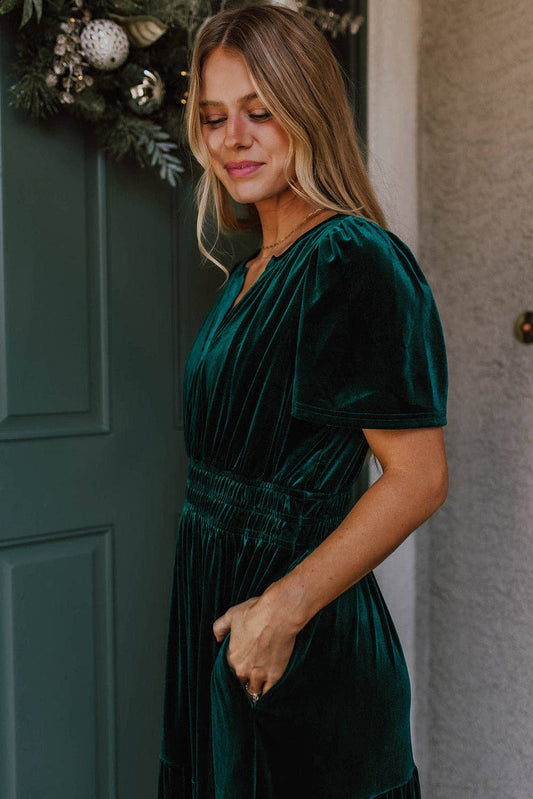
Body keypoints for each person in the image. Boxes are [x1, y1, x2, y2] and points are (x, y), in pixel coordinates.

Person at [158, 4, 448, 798]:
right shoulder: (249, 271)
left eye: (259, 111)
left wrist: (281, 610)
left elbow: (417, 477)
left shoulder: (350, 258)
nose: (233, 138)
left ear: (308, 109)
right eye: (213, 117)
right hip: (216, 601)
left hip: (299, 635)